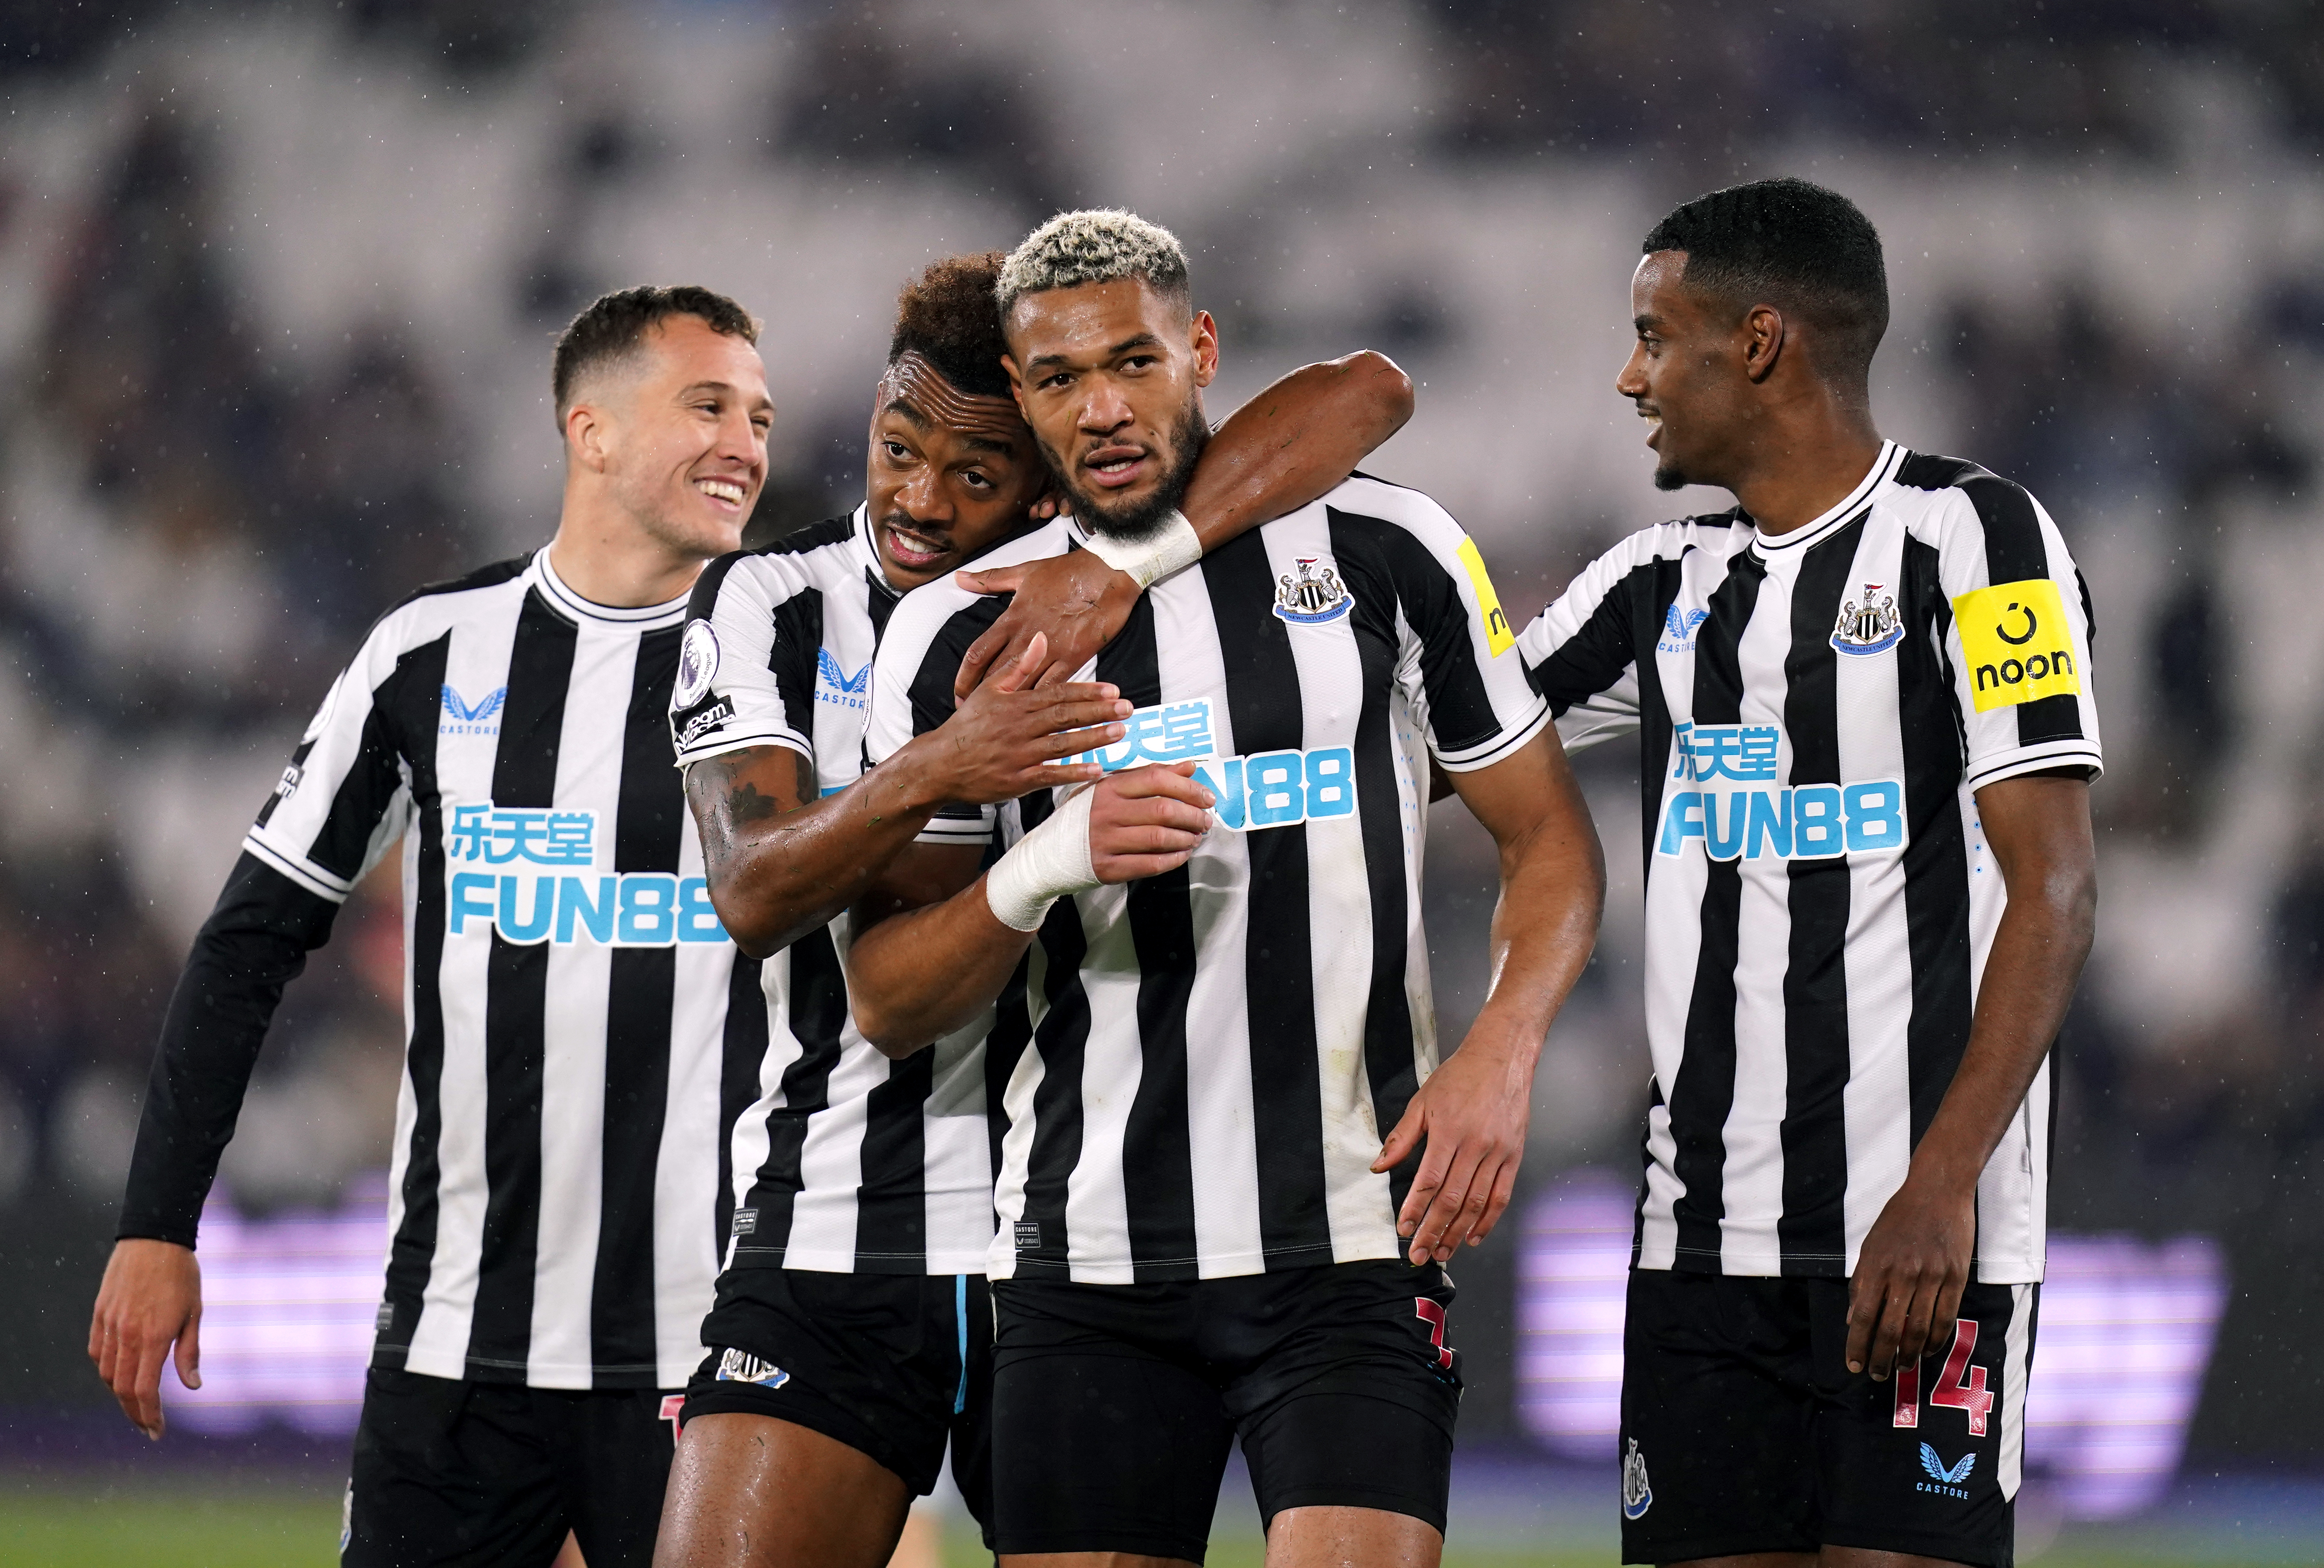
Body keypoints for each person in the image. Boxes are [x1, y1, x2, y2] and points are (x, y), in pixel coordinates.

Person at [845, 210, 1607, 1568]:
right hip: (1086, 1264)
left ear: (1202, 351)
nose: (1104, 407)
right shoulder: (957, 632)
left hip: (1353, 1243)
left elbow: (1548, 837)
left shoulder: (1388, 549)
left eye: (1134, 362)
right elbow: (892, 999)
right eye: (1062, 379)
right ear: (1020, 397)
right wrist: (1043, 864)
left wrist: (1501, 1050)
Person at [652, 250, 1414, 1568]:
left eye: (975, 475)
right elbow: (751, 886)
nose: (918, 499)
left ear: (1048, 480)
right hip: (841, 1216)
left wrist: (1128, 563)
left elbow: (1366, 393)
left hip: (1070, 1244)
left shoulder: (1103, 597)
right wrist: (943, 766)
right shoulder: (774, 602)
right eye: (898, 448)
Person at [90, 286, 780, 1568]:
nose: (746, 440)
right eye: (708, 405)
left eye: (759, 413)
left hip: (718, 1345)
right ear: (593, 430)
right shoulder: (430, 654)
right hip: (457, 1354)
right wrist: (156, 1218)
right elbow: (250, 940)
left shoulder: (801, 657)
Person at [1517, 178, 2101, 1568]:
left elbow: (2056, 886)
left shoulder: (1979, 542)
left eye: (1656, 337)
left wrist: (1941, 1184)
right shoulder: (1660, 585)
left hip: (1923, 1245)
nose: (1630, 376)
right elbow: (1431, 740)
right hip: (1701, 1253)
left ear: (1761, 341)